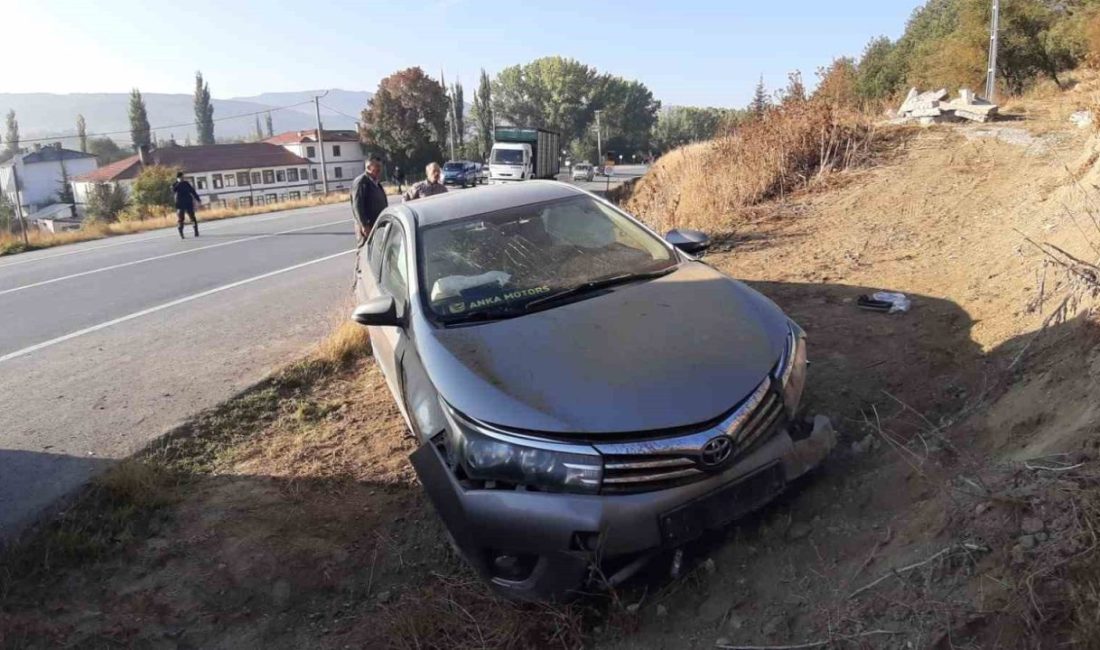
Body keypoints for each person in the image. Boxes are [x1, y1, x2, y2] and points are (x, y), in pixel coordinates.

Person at [351, 156, 387, 245]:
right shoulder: (361, 182)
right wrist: (364, 225)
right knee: (365, 250)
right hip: (368, 227)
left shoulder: (376, 182)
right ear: (368, 167)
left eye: (380, 166)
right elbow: (357, 205)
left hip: (377, 224)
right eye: (377, 166)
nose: (380, 169)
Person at [171, 171, 201, 239]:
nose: (182, 178)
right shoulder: (175, 184)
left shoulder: (186, 183)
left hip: (188, 202)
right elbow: (173, 190)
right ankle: (181, 233)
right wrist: (178, 183)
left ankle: (196, 231)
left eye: (183, 177)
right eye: (181, 177)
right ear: (178, 178)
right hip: (180, 204)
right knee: (181, 219)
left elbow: (192, 191)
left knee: (192, 217)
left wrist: (198, 199)